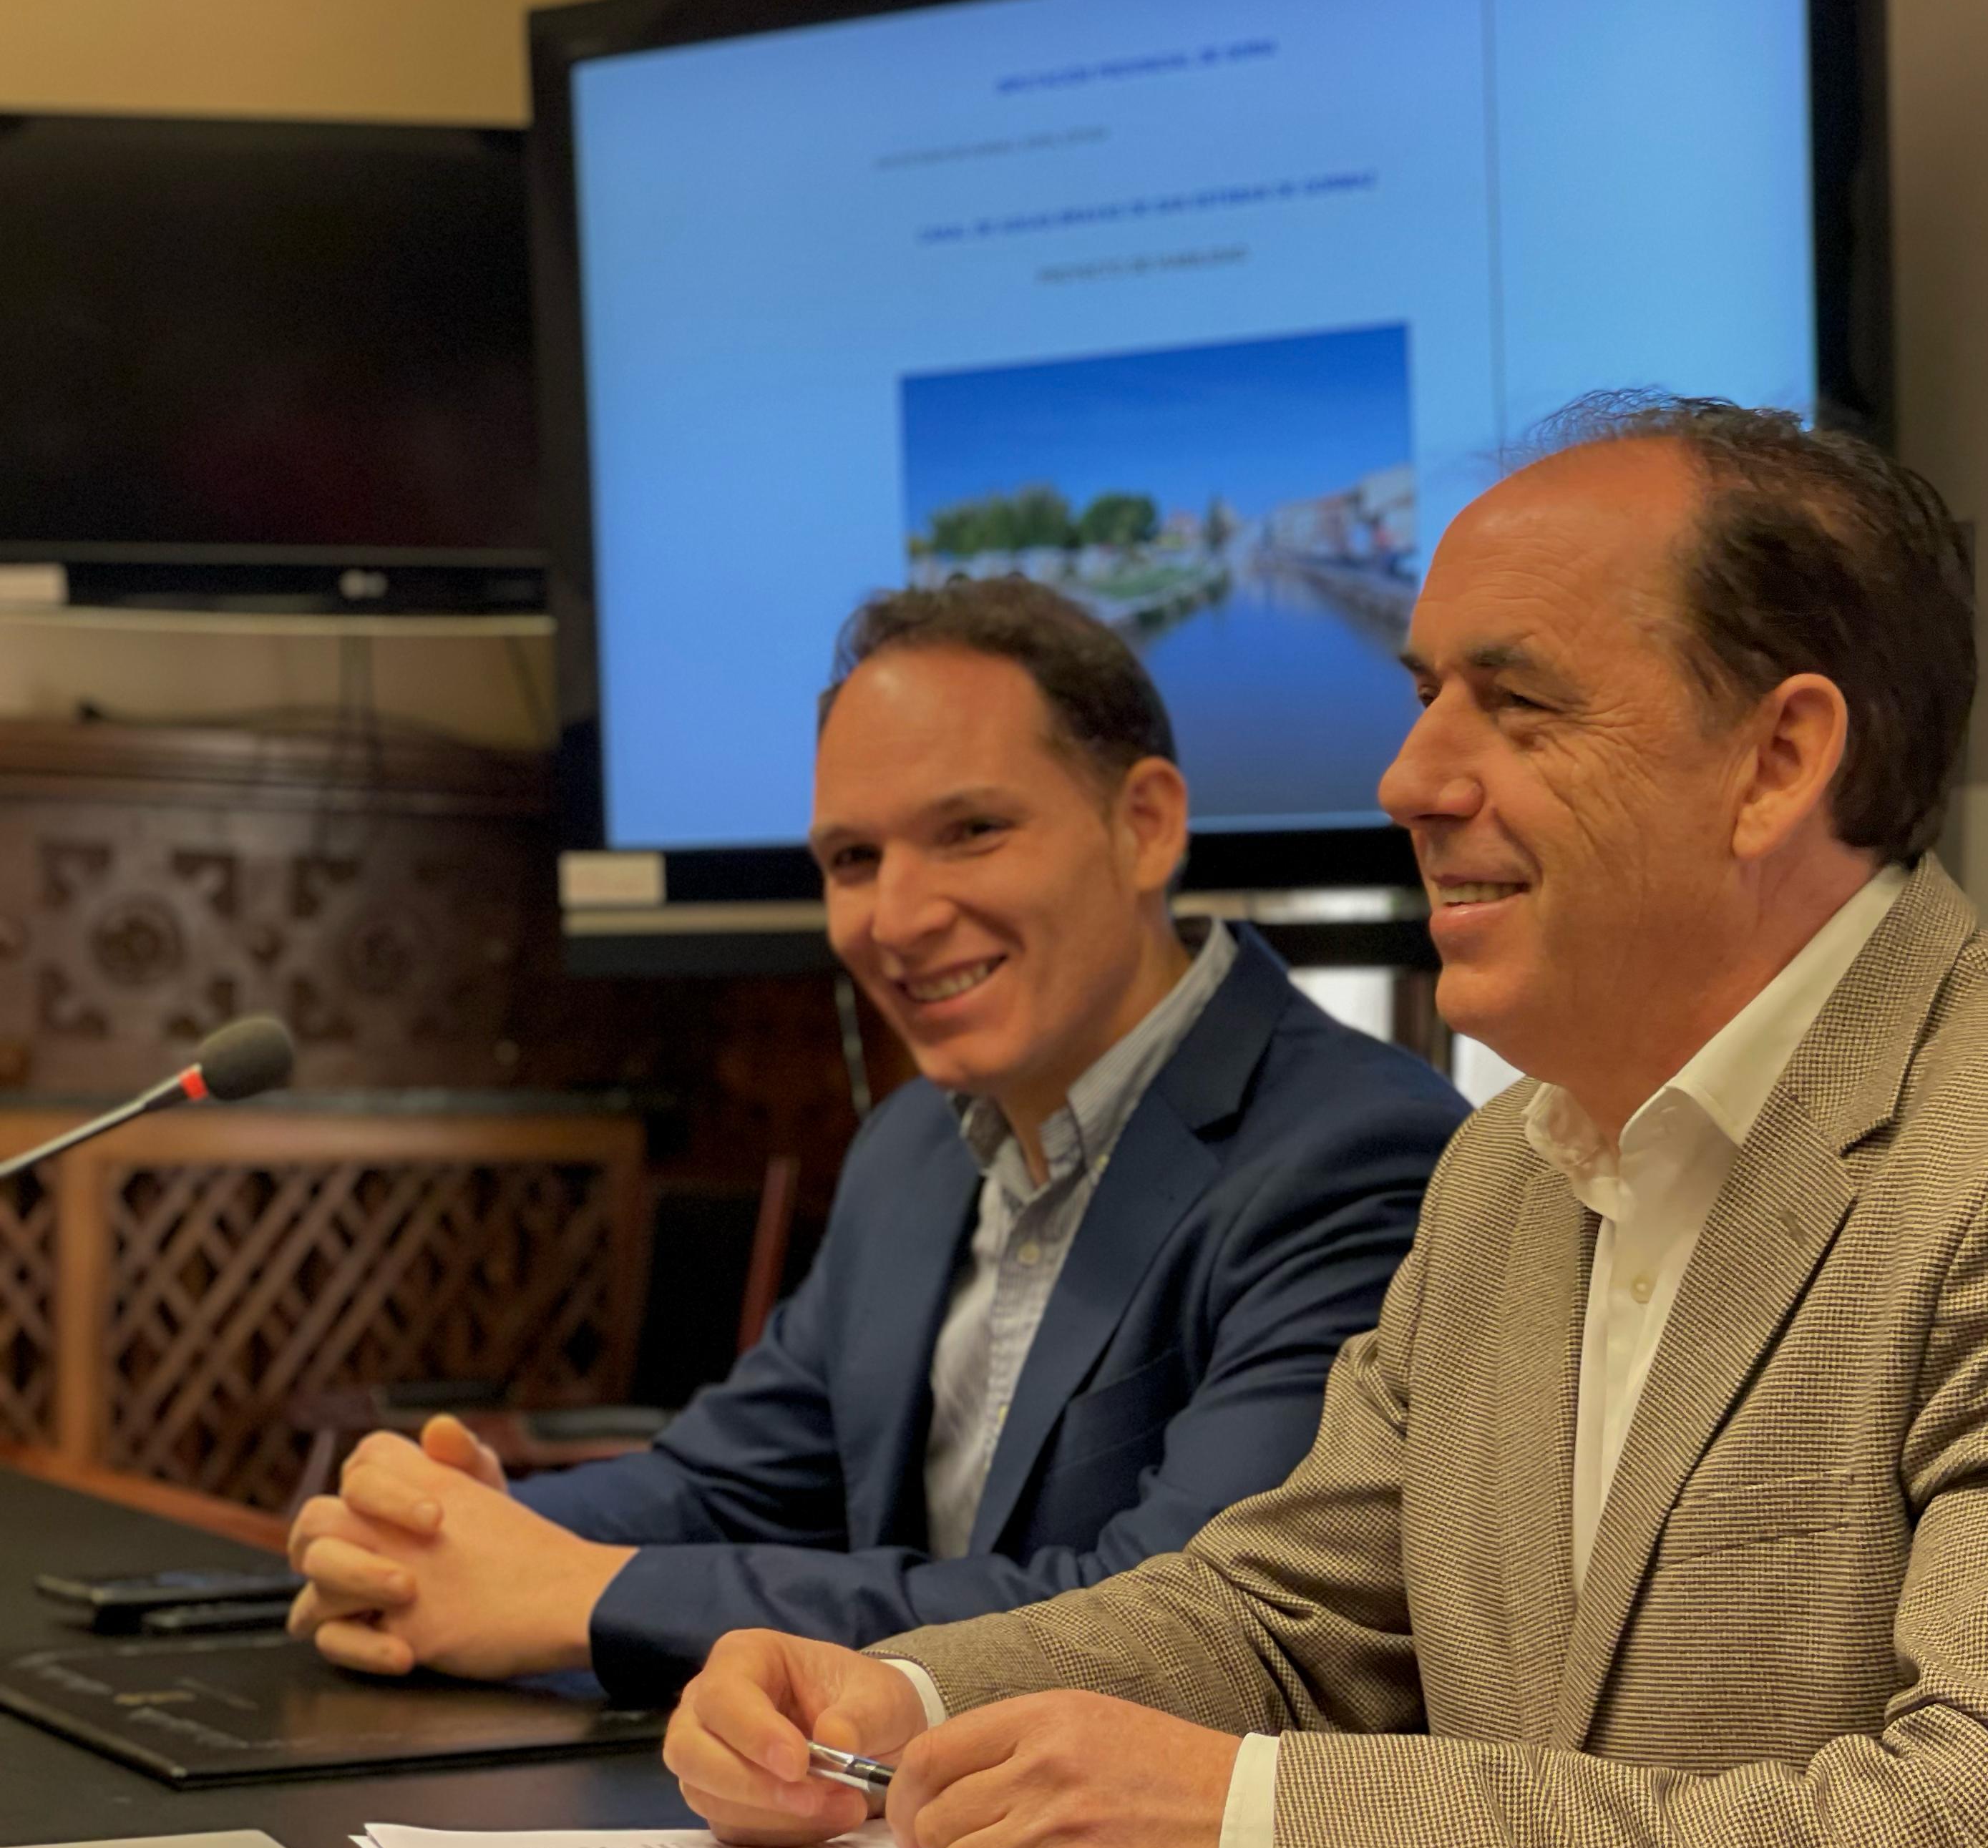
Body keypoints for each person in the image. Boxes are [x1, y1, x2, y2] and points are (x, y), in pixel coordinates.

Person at [659, 399, 1988, 1848]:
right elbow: (1287, 1619)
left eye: (1519, 704)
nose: (1410, 780)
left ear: (1779, 762)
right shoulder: (1507, 1167)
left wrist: (1254, 1830)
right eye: (1422, 699)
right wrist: (899, 1699)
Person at [281, 578, 1466, 1703]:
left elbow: (1169, 1624)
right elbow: (724, 1484)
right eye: (854, 860)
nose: (896, 918)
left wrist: (580, 1593)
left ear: (1146, 825)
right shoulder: (911, 1146)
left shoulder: (1362, 1158)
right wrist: (441, 1534)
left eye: (971, 832)